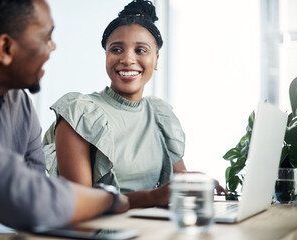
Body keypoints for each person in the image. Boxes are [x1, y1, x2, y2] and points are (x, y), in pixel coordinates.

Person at [0, 0, 130, 239]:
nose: (52, 47)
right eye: (45, 38)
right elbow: (27, 199)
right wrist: (110, 199)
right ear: (5, 48)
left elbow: (41, 201)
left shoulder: (19, 104)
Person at [43, 0, 226, 210]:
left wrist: (195, 184)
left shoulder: (160, 115)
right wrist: (152, 197)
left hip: (154, 228)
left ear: (156, 60)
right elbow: (79, 206)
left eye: (141, 50)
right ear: (106, 56)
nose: (128, 59)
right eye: (117, 49)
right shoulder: (80, 113)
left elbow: (176, 188)